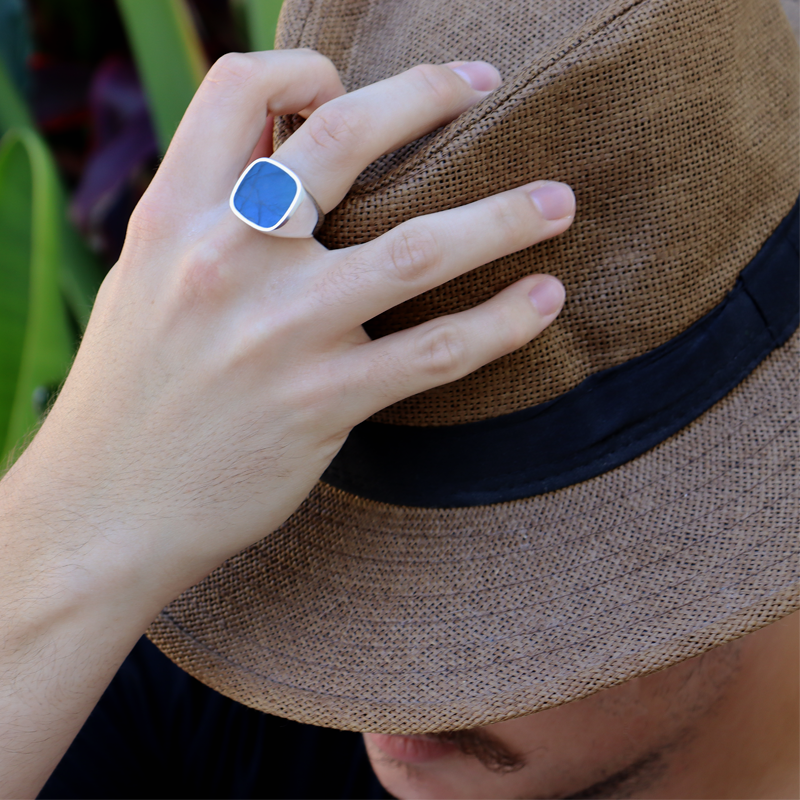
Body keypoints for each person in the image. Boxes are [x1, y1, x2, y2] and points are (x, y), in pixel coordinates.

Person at [2, 0, 799, 796]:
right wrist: (78, 525)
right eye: (352, 544)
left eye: (497, 574)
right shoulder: (195, 706)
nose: (362, 685)